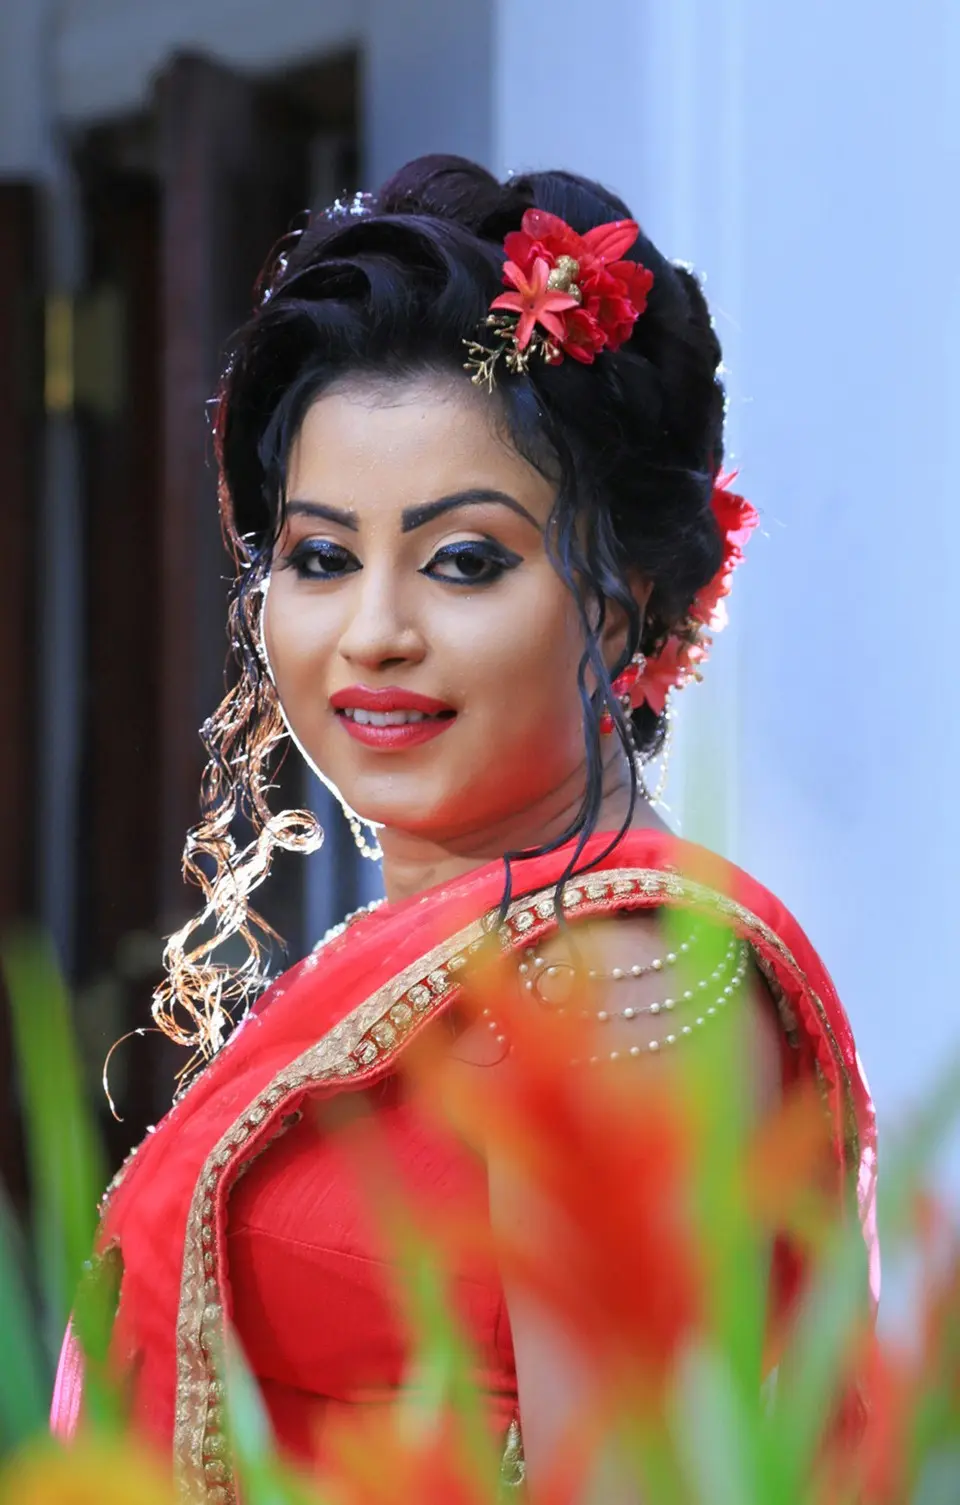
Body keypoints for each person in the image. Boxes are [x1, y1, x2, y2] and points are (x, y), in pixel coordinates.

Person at [51, 155, 876, 1501]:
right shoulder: (416, 966)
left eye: (464, 560)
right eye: (320, 557)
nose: (373, 630)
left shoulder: (623, 965)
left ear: (620, 602)